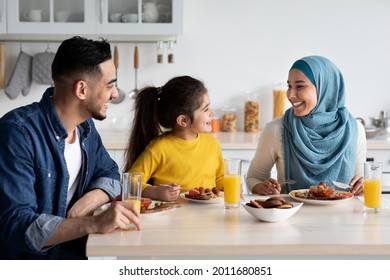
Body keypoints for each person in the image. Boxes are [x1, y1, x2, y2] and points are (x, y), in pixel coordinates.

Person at [0, 36, 142, 260]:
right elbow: (17, 224)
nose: (115, 94)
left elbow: (110, 173)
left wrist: (89, 201)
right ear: (82, 90)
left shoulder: (86, 127)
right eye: (110, 84)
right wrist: (92, 222)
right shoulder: (17, 133)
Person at [247, 55, 366, 195]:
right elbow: (253, 178)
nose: (290, 94)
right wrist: (261, 187)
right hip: (292, 215)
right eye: (289, 86)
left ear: (325, 88)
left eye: (300, 86)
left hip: (342, 215)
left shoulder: (354, 129)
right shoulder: (276, 129)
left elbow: (360, 183)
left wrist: (363, 185)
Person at [124, 75, 224, 201]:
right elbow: (130, 182)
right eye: (206, 109)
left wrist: (230, 186)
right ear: (183, 120)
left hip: (210, 216)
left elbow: (220, 178)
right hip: (173, 217)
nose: (212, 113)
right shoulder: (159, 148)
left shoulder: (212, 144)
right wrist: (156, 192)